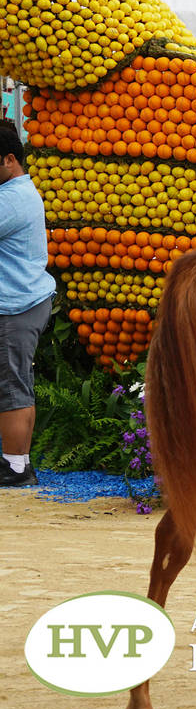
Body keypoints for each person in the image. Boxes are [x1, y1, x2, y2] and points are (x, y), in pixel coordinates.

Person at [0, 122, 55, 487]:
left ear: (9, 160)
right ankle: (18, 461)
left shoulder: (12, 199)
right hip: (25, 299)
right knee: (17, 380)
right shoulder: (17, 191)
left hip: (17, 305)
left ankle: (16, 468)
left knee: (12, 385)